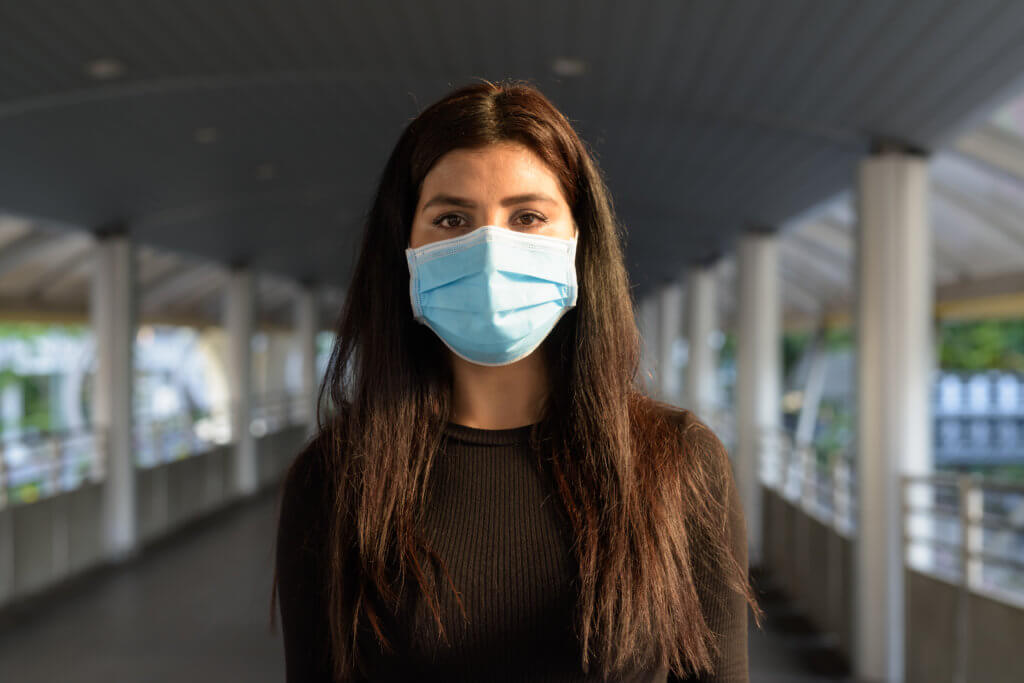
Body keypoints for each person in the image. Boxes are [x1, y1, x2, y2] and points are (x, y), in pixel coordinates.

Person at [270, 79, 762, 682]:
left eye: (527, 216)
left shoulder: (677, 463)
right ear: (404, 248)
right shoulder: (336, 480)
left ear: (580, 243)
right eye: (452, 219)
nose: (489, 249)